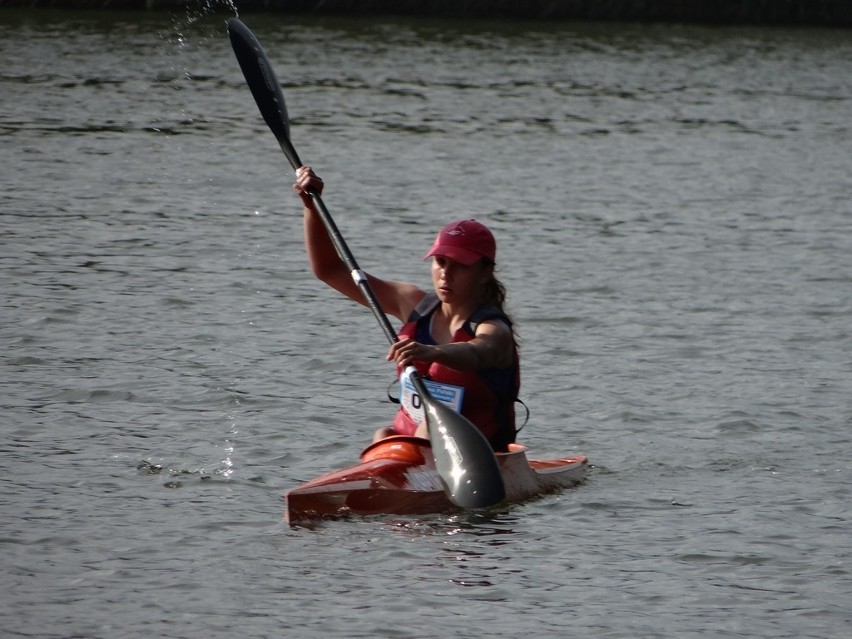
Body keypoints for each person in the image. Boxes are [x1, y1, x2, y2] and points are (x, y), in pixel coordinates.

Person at [293, 166, 519, 451]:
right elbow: (330, 270)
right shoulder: (413, 304)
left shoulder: (493, 330)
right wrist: (311, 207)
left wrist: (431, 352)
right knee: (383, 434)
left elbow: (478, 352)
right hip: (404, 448)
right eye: (441, 262)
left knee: (427, 429)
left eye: (461, 266)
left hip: (477, 457)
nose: (446, 274)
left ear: (485, 272)